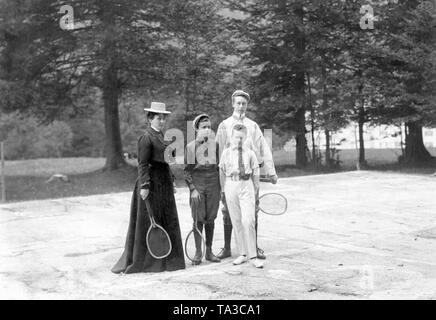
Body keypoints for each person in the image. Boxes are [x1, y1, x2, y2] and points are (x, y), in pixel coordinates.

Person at [111, 102, 185, 274]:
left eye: (164, 118)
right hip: (151, 185)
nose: (162, 121)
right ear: (150, 118)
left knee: (167, 220)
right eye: (159, 118)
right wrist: (144, 186)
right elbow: (142, 164)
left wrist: (172, 180)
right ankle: (147, 263)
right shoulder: (146, 138)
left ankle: (169, 261)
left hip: (164, 184)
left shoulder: (163, 138)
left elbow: (168, 163)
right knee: (150, 221)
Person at [216, 90, 278, 260]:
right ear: (232, 104)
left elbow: (264, 149)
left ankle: (254, 248)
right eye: (238, 103)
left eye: (244, 103)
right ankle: (228, 248)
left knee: (252, 212)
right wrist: (220, 180)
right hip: (231, 177)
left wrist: (271, 172)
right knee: (228, 212)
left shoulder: (253, 125)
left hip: (250, 175)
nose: (241, 106)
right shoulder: (224, 125)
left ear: (247, 105)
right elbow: (219, 152)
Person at [219, 124, 263, 268]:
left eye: (241, 137)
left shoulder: (250, 153)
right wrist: (223, 190)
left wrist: (255, 190)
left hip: (246, 186)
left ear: (245, 138)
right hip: (231, 185)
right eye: (236, 137)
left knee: (248, 220)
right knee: (236, 221)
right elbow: (221, 171)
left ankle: (253, 256)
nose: (238, 140)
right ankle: (242, 254)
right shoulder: (226, 153)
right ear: (232, 137)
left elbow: (256, 171)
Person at [184, 113, 221, 265]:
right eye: (203, 127)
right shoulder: (191, 147)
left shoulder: (215, 145)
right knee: (198, 218)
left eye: (209, 127)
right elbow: (186, 171)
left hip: (213, 181)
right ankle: (199, 253)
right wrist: (192, 188)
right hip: (198, 182)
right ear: (197, 129)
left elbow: (219, 167)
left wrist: (222, 189)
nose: (207, 130)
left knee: (211, 218)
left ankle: (209, 251)